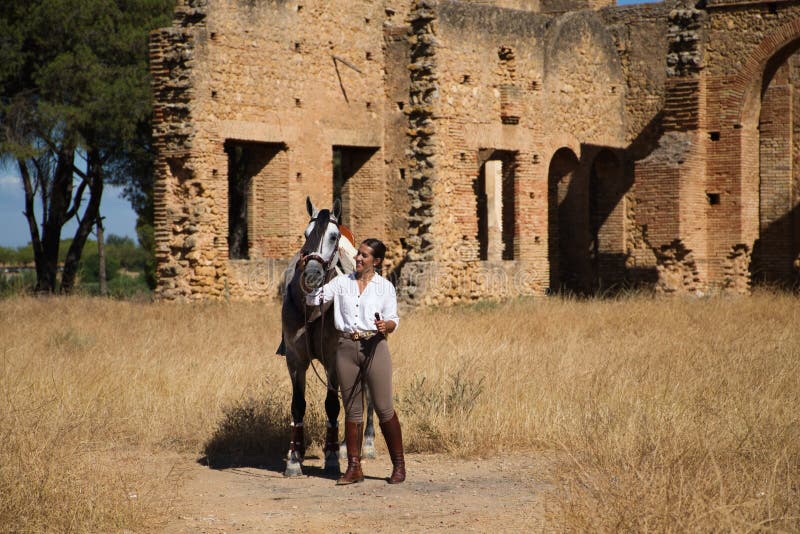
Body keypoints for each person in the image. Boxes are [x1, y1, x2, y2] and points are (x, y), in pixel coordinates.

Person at [301, 238, 405, 485]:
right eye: (358, 254)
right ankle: (354, 468)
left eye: (365, 256)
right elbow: (313, 299)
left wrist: (385, 325)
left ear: (376, 262)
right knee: (353, 409)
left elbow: (394, 320)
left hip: (374, 347)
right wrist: (307, 276)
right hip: (345, 348)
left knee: (383, 407)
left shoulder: (384, 287)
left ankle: (399, 465)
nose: (358, 258)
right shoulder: (341, 283)